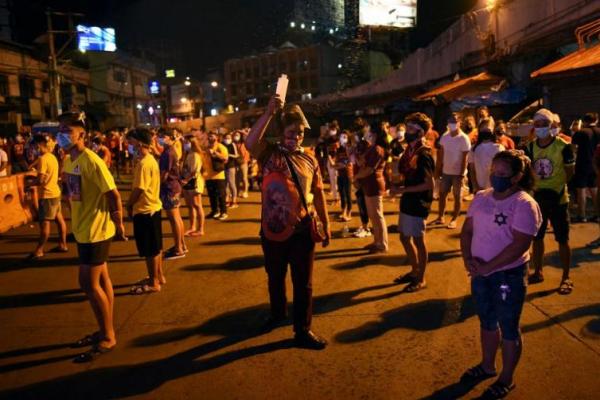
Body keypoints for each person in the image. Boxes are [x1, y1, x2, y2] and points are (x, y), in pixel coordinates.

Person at [246, 94, 330, 350]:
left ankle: (302, 330)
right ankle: (277, 313)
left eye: (301, 133)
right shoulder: (269, 154)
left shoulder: (310, 159)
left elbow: (318, 193)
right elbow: (250, 142)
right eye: (292, 132)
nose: (297, 137)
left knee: (303, 283)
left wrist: (326, 224)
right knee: (274, 276)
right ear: (281, 132)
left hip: (303, 230)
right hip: (272, 230)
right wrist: (268, 113)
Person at [460, 150, 541, 399]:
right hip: (480, 273)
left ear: (517, 177)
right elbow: (467, 231)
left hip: (508, 277)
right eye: (494, 172)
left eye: (502, 173)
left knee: (508, 326)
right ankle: (487, 365)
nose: (496, 177)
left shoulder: (524, 204)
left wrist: (489, 266)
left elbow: (520, 244)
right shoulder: (481, 197)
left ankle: (507, 378)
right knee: (486, 320)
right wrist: (469, 260)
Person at [57, 112, 126, 362]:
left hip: (96, 231)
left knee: (87, 283)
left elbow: (113, 194)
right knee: (102, 279)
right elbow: (73, 192)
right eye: (61, 129)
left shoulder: (91, 160)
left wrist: (118, 223)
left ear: (81, 134)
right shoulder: (68, 160)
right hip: (83, 228)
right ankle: (105, 329)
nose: (62, 134)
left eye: (68, 130)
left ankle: (108, 335)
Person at [527, 108, 575, 295]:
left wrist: (558, 184)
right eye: (537, 125)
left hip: (558, 199)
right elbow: (528, 170)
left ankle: (566, 277)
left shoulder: (564, 146)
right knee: (536, 238)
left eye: (544, 124)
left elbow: (570, 172)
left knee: (562, 239)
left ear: (551, 125)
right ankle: (538, 271)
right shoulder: (530, 147)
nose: (540, 128)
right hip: (537, 199)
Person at [392, 113, 435, 292]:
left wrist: (402, 190)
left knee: (418, 239)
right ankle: (415, 270)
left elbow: (428, 184)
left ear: (420, 133)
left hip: (418, 202)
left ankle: (421, 278)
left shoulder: (423, 153)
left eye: (411, 129)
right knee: (404, 237)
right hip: (408, 199)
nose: (406, 131)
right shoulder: (409, 150)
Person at [126, 128, 165, 294]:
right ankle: (158, 276)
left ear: (140, 142)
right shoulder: (149, 159)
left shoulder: (144, 163)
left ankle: (153, 282)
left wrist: (128, 204)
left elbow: (139, 189)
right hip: (153, 207)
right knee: (156, 247)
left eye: (131, 141)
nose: (129, 144)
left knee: (150, 250)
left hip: (144, 210)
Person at [27, 135, 68, 260]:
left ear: (39, 145)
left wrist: (29, 184)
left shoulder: (44, 159)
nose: (34, 148)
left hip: (47, 195)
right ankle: (63, 244)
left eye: (35, 146)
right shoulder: (52, 157)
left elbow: (40, 180)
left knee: (45, 224)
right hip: (55, 193)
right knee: (59, 220)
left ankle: (39, 250)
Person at [431, 113, 471, 229]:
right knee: (442, 194)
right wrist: (437, 171)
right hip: (446, 171)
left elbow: (465, 158)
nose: (451, 124)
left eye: (454, 121)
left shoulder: (464, 138)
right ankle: (440, 216)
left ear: (459, 123)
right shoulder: (445, 136)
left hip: (458, 173)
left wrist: (462, 173)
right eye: (450, 121)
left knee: (457, 196)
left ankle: (454, 219)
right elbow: (441, 155)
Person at [354, 124, 389, 254]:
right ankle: (377, 241)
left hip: (374, 184)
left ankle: (383, 244)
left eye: (369, 132)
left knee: (378, 216)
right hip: (369, 185)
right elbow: (362, 163)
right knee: (373, 216)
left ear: (375, 134)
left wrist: (355, 177)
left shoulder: (377, 149)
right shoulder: (372, 148)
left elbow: (369, 169)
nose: (367, 134)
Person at [158, 128, 186, 260]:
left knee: (174, 219)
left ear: (170, 137)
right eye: (159, 136)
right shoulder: (170, 151)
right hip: (174, 187)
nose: (160, 138)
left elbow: (164, 174)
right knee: (177, 218)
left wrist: (156, 184)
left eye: (162, 136)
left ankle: (178, 249)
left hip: (170, 188)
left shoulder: (168, 153)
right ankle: (181, 245)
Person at [571, 112, 600, 222]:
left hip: (582, 164)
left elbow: (573, 148)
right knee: (595, 190)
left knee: (581, 190)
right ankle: (597, 215)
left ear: (584, 121)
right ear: (596, 120)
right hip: (596, 165)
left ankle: (581, 215)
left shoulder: (580, 133)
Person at [350, 118, 372, 238]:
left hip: (363, 180)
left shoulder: (366, 145)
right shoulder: (357, 145)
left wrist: (357, 178)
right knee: (360, 203)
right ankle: (364, 226)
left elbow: (363, 164)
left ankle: (367, 228)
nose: (354, 135)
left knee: (364, 204)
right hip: (358, 177)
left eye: (356, 132)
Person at [182, 134, 205, 236]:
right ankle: (192, 227)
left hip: (194, 182)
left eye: (186, 142)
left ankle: (200, 229)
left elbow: (194, 171)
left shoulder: (195, 155)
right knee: (190, 206)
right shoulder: (188, 154)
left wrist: (186, 180)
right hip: (187, 181)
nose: (184, 144)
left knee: (197, 205)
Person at [469, 126, 504, 192]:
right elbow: (472, 169)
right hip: (480, 187)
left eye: (488, 131)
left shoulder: (499, 147)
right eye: (483, 131)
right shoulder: (473, 149)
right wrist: (475, 186)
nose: (485, 133)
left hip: (495, 186)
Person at [204, 131, 229, 220]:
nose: (210, 138)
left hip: (218, 175)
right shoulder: (206, 148)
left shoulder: (221, 147)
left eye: (212, 136)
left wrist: (215, 152)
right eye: (209, 136)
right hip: (208, 175)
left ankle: (224, 212)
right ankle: (214, 211)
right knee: (211, 195)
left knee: (221, 195)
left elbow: (225, 158)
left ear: (217, 138)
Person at [334, 130, 353, 222]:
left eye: (345, 137)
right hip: (340, 174)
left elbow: (351, 161)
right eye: (341, 137)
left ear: (348, 138)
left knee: (348, 194)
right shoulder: (338, 149)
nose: (342, 138)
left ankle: (349, 212)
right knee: (341, 193)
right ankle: (343, 211)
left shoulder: (350, 148)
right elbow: (336, 161)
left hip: (348, 174)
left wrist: (343, 165)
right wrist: (337, 164)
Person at [223, 132, 240, 209]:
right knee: (225, 184)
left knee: (231, 183)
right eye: (226, 138)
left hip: (231, 166)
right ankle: (227, 200)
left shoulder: (232, 145)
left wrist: (228, 155)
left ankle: (234, 201)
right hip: (223, 166)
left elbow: (236, 155)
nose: (227, 139)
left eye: (229, 138)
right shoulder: (221, 145)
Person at [326, 122, 340, 205]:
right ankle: (336, 198)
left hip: (337, 161)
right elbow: (327, 151)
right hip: (332, 161)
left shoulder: (339, 143)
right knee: (333, 180)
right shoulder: (329, 141)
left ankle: (337, 198)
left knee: (336, 181)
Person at [234, 130, 251, 198]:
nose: (236, 136)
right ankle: (237, 192)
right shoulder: (233, 143)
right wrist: (234, 132)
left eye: (237, 135)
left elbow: (249, 136)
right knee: (236, 179)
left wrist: (241, 131)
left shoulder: (245, 143)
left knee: (244, 178)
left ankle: (245, 191)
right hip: (235, 162)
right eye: (235, 135)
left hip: (243, 162)